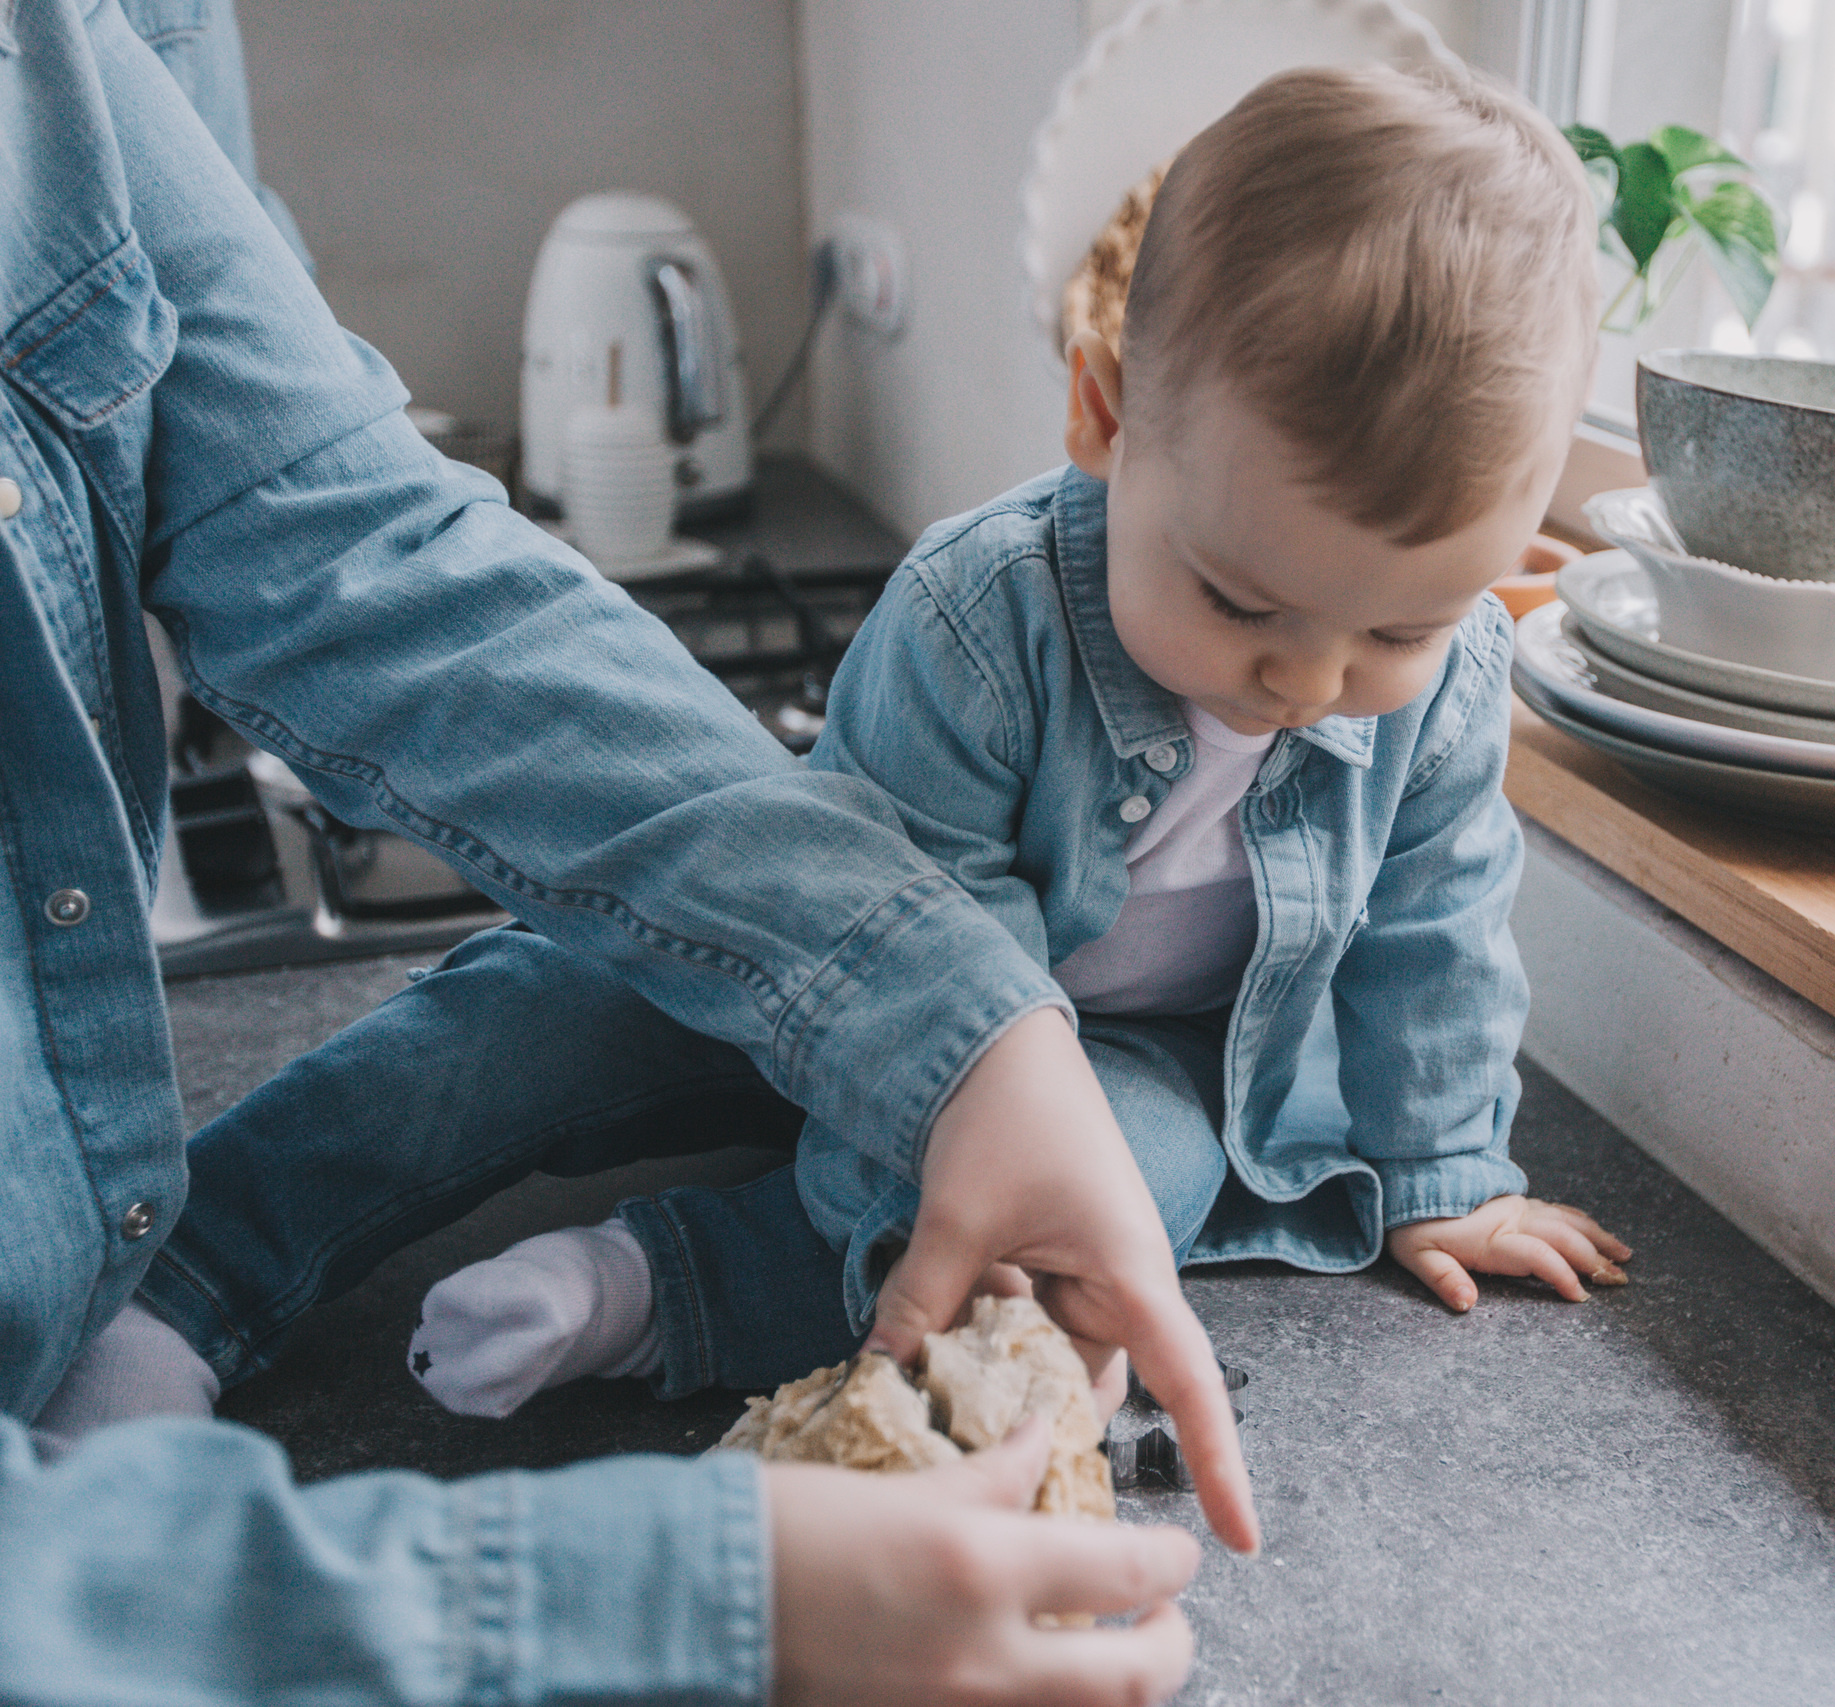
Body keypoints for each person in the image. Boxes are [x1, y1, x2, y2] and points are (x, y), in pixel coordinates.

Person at [0, 1, 1249, 1701]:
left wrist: (974, 1039)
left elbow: (357, 543)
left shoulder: (55, 50)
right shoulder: (994, 602)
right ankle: (218, 1270)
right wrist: (690, 1605)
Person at [259, 61, 1636, 1421]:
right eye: (1240, 600)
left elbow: (1434, 932)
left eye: (1395, 632)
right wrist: (893, 1181)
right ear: (1103, 418)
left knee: (1103, 1214)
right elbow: (912, 939)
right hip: (824, 966)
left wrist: (1446, 1174)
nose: (1306, 678)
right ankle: (197, 1267)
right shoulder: (982, 614)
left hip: (1140, 1050)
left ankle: (655, 1290)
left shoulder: (1454, 681)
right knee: (529, 1012)